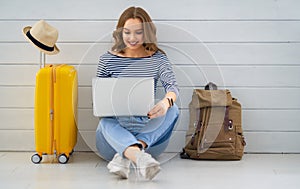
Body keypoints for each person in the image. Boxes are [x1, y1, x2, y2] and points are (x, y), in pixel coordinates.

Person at [95, 6, 179, 180]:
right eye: (127, 32)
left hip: (150, 141)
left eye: (138, 33)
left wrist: (164, 103)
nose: (132, 39)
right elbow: (98, 101)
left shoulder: (158, 59)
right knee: (105, 121)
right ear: (120, 32)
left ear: (147, 33)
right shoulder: (107, 60)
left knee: (174, 109)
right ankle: (137, 156)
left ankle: (133, 152)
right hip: (111, 140)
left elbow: (172, 88)